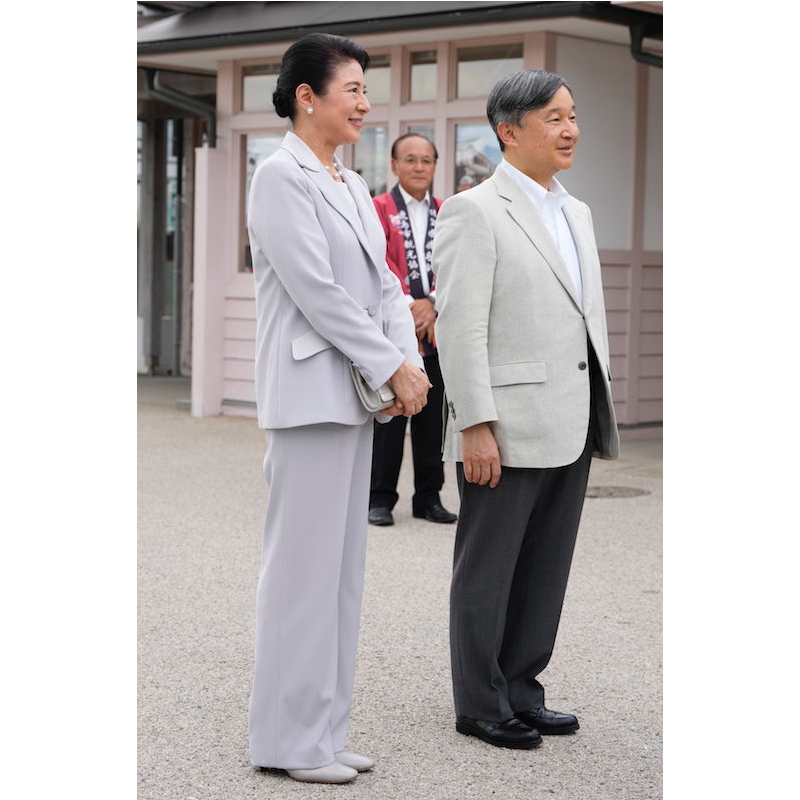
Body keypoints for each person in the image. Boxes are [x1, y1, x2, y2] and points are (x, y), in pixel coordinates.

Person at [246, 33, 430, 784]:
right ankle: (285, 743)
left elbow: (386, 287)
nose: (364, 101)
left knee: (342, 575)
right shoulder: (278, 177)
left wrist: (408, 364)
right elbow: (317, 291)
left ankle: (323, 731)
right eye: (351, 88)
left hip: (354, 397)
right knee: (301, 575)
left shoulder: (351, 183)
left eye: (365, 88)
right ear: (306, 97)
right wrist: (387, 363)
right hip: (309, 397)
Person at [431, 70, 619, 750]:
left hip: (570, 417)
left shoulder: (577, 213)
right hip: (504, 427)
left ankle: (521, 688)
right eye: (553, 118)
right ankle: (478, 703)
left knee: (545, 566)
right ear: (509, 132)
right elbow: (460, 326)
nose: (570, 128)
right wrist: (475, 423)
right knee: (488, 568)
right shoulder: (473, 210)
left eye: (572, 115)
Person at [368, 133, 458, 527]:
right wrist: (411, 307)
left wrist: (433, 303)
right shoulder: (378, 208)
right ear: (394, 165)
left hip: (439, 326)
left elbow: (458, 262)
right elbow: (377, 263)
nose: (419, 167)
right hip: (395, 329)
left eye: (426, 160)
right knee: (391, 414)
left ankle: (429, 497)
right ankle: (379, 497)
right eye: (410, 159)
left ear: (435, 165)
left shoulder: (450, 211)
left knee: (434, 417)